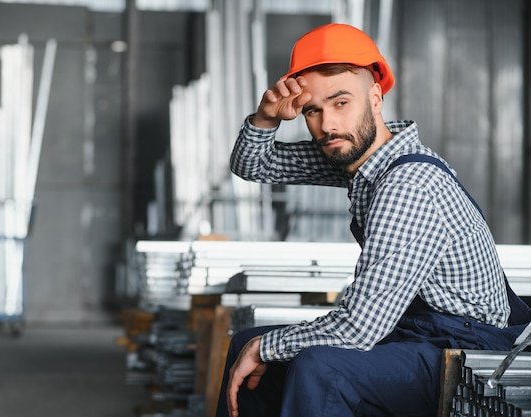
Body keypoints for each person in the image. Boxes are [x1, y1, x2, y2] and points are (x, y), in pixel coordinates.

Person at [215, 23, 531, 417]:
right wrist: (265, 117)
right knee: (246, 339)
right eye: (313, 110)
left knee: (321, 369)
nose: (327, 124)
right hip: (415, 331)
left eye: (341, 102)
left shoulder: (408, 184)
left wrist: (267, 348)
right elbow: (252, 164)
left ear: (376, 98)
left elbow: (359, 327)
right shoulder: (355, 157)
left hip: (463, 349)